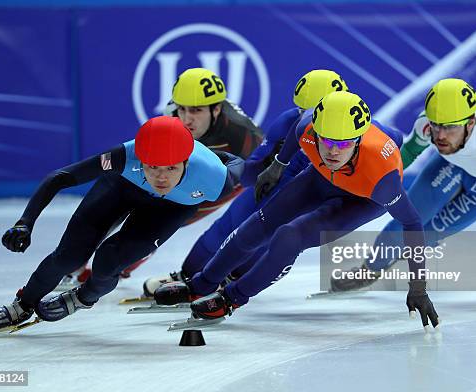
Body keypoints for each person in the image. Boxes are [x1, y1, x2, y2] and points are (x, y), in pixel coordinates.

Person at [156, 91, 439, 329]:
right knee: (259, 224)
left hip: (363, 198)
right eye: (326, 140)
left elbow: (413, 225)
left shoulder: (383, 179)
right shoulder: (308, 128)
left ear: (358, 140)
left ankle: (231, 298)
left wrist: (418, 289)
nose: (332, 151)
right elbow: (295, 132)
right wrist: (278, 165)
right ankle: (201, 285)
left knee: (289, 237)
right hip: (322, 179)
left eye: (342, 144)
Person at [0, 116, 244, 329]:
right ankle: (23, 304)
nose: (161, 178)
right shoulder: (122, 157)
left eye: (171, 168)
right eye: (152, 166)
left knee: (108, 261)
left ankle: (84, 298)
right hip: (123, 186)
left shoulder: (215, 179)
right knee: (68, 257)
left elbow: (241, 164)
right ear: (141, 158)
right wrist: (25, 222)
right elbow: (60, 177)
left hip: (170, 207)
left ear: (187, 161)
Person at [141, 69, 348, 297]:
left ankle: (230, 282)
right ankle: (188, 275)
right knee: (226, 225)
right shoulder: (288, 121)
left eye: (314, 113)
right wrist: (269, 162)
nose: (306, 120)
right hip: (276, 186)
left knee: (271, 240)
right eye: (301, 111)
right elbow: (248, 176)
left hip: (309, 196)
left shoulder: (355, 135)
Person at [330, 78, 476, 292]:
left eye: (450, 127)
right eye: (436, 126)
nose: (440, 136)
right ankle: (369, 270)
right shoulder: (427, 123)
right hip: (453, 161)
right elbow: (406, 155)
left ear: (470, 124)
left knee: (428, 234)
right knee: (405, 223)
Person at [58, 67, 263, 288]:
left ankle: (122, 266)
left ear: (216, 110)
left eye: (195, 111)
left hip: (224, 176)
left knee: (165, 217)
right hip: (180, 164)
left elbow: (257, 173)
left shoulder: (244, 136)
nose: (186, 119)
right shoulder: (172, 113)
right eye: (182, 110)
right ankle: (76, 261)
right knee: (119, 203)